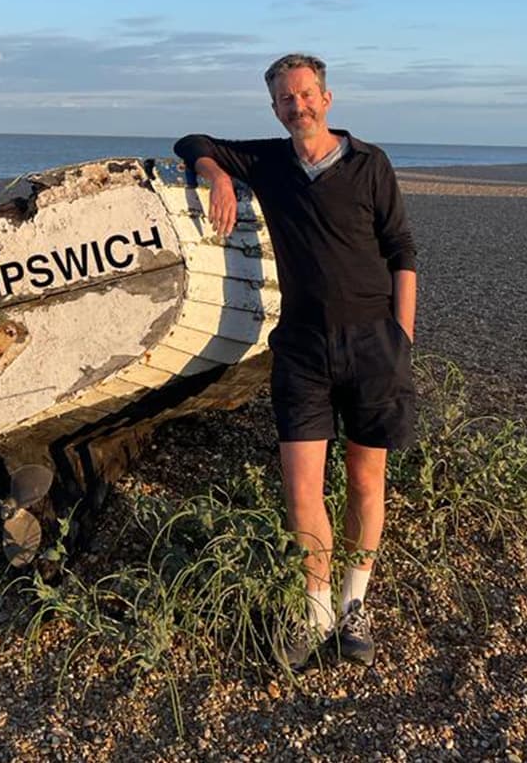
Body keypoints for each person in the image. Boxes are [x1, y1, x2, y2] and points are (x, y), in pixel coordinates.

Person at [174, 53, 417, 670]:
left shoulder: (370, 163)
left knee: (366, 479)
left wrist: (401, 339)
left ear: (327, 99)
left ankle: (355, 605)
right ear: (275, 107)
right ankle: (315, 612)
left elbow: (401, 251)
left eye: (306, 95)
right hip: (301, 348)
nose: (297, 106)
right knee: (302, 487)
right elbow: (192, 140)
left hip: (372, 345)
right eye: (285, 99)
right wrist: (218, 174)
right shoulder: (270, 162)